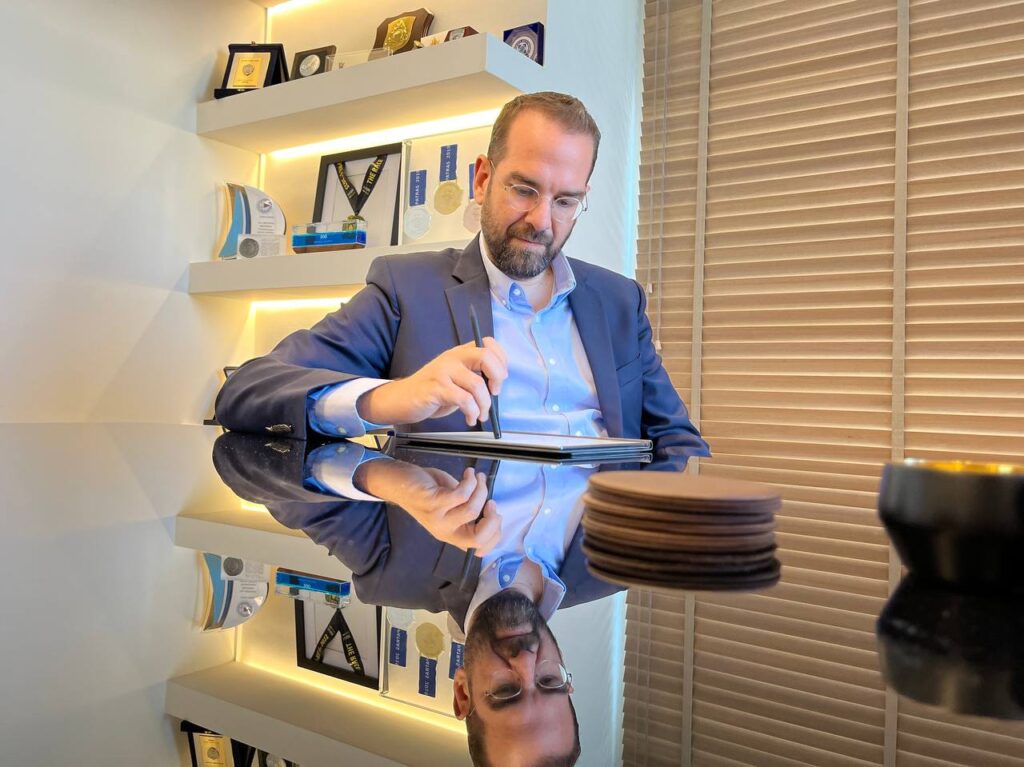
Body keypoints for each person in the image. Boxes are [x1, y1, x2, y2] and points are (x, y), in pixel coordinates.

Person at [214, 90, 709, 464]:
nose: (541, 220)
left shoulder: (619, 300)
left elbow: (679, 443)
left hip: (592, 546)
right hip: (459, 533)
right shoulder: (407, 289)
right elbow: (249, 390)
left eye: (565, 201)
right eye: (524, 190)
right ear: (482, 179)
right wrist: (389, 397)